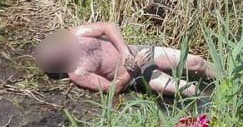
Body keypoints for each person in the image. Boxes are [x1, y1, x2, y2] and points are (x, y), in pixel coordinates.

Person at [34, 22, 216, 97]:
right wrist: (132, 68)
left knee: (196, 63)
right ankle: (217, 102)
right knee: (191, 91)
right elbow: (112, 89)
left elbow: (109, 26)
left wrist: (125, 53)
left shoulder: (77, 34)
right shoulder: (77, 73)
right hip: (138, 75)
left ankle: (226, 75)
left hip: (138, 51)